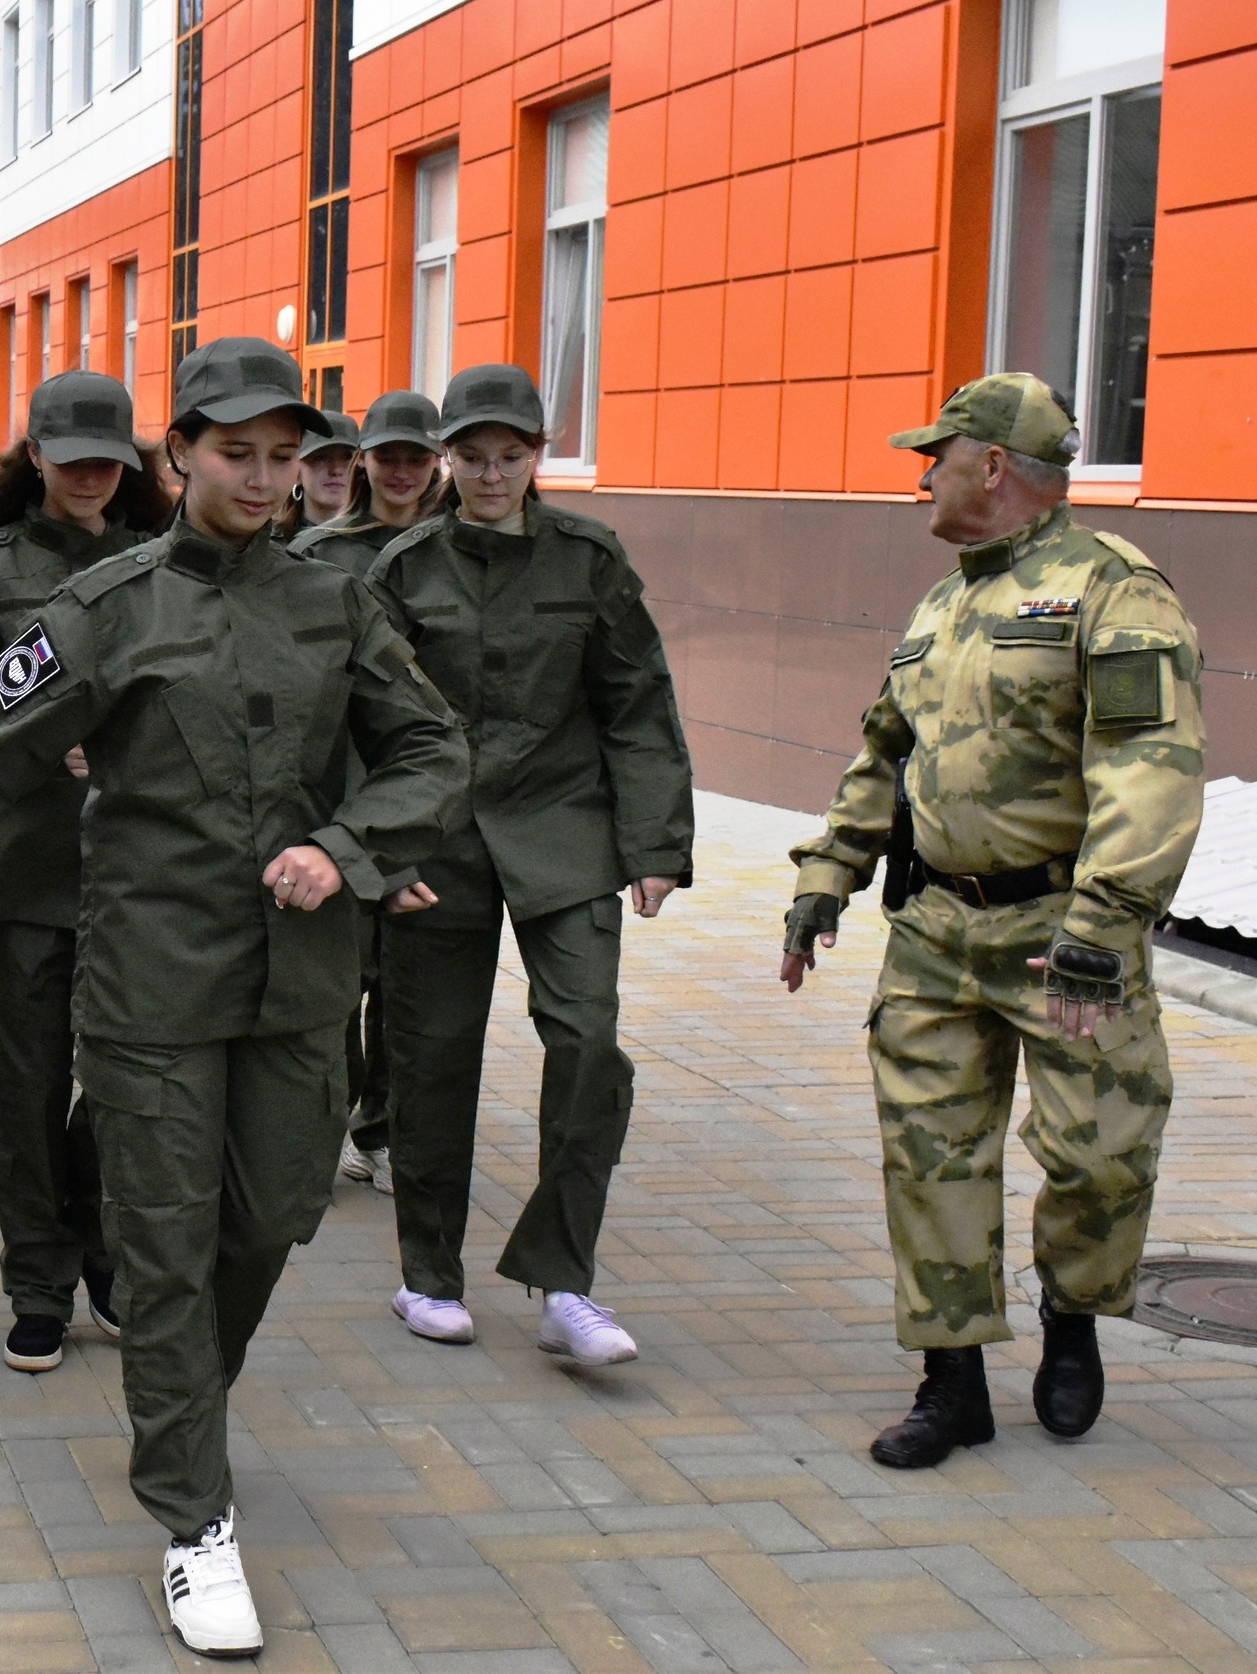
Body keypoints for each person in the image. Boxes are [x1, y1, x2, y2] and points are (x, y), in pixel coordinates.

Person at [0, 338, 466, 1657]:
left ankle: (180, 1402)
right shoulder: (109, 608)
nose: (261, 476)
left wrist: (349, 851)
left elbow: (427, 745)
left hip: (296, 987)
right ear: (176, 456)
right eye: (235, 452)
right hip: (150, 989)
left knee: (271, 1215)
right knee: (167, 1250)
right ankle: (194, 1515)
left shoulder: (331, 604)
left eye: (284, 456)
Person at [781, 374, 1205, 1469]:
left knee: (1099, 1157)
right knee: (930, 1157)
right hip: (934, 931)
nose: (923, 473)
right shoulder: (941, 605)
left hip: (1063, 931)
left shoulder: (1114, 591)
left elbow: (1149, 772)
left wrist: (1104, 928)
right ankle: (952, 1381)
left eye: (939, 454)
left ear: (994, 466)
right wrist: (826, 875)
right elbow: (885, 753)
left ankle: (1073, 1319)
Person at [365, 364, 691, 1362]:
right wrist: (382, 852)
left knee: (589, 1043)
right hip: (441, 842)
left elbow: (637, 701)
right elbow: (362, 718)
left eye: (511, 456)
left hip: (566, 832)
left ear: (538, 457)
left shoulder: (590, 559)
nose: (492, 473)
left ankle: (563, 1281)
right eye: (473, 456)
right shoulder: (405, 569)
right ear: (447, 459)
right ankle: (428, 1275)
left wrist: (656, 843)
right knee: (430, 1059)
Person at [0, 370, 172, 1375]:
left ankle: (103, 1250)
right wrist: (40, 743)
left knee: (126, 1088)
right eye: (69, 457)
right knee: (24, 1095)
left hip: (142, 876)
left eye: (106, 459)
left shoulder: (168, 565)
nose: (88, 475)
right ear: (35, 458)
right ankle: (37, 1280)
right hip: (15, 875)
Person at [292, 389, 451, 1198]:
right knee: (342, 971)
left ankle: (385, 1127)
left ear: (435, 463)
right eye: (385, 456)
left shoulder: (458, 548)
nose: (398, 471)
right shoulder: (321, 553)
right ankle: (333, 1116)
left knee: (407, 980)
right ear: (365, 463)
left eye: (414, 457)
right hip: (344, 790)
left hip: (429, 795)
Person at [291, 409, 360, 529]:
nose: (336, 470)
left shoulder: (385, 542)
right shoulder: (269, 543)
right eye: (320, 458)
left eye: (347, 457)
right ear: (296, 473)